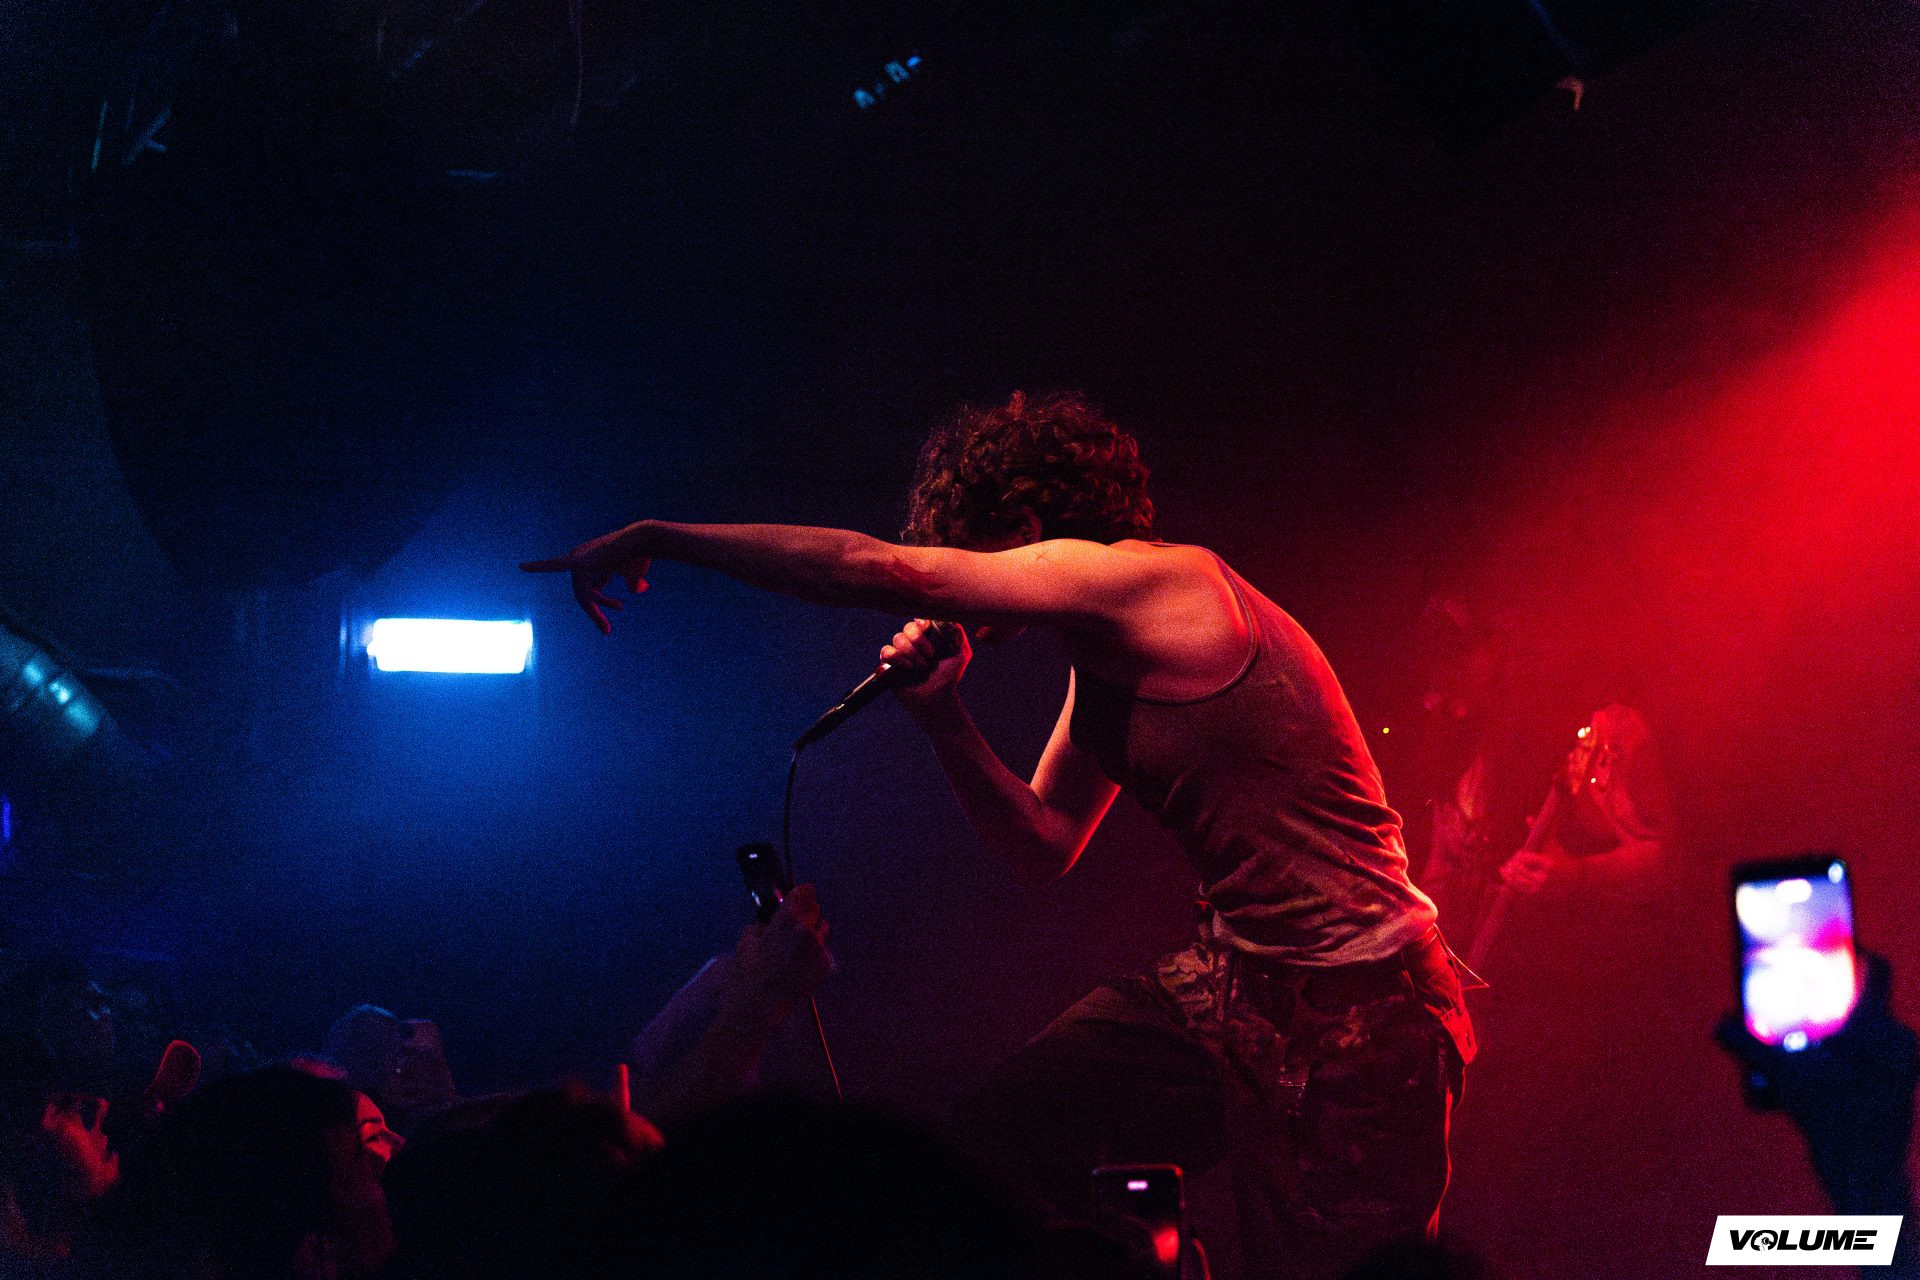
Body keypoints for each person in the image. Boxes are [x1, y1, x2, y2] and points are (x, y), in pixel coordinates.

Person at [525, 391, 1474, 1278]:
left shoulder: (1159, 582)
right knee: (999, 1137)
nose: (955, 589)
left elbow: (868, 569)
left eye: (963, 555)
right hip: (1237, 978)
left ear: (1023, 529)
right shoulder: (1105, 657)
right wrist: (945, 717)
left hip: (1365, 996)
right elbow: (1043, 844)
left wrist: (661, 537)